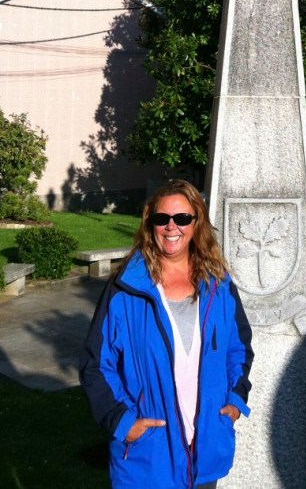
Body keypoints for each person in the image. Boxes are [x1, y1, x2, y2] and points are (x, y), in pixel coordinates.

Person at [80, 179, 253, 489]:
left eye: (183, 218)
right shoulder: (125, 288)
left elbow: (238, 347)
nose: (172, 227)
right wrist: (121, 419)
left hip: (205, 452)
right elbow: (95, 364)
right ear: (150, 223)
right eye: (162, 218)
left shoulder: (219, 284)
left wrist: (235, 398)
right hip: (148, 456)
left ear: (196, 222)